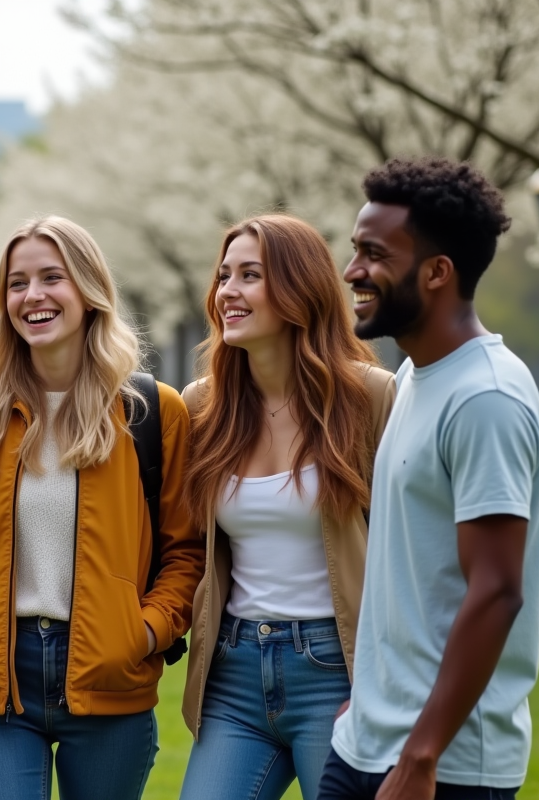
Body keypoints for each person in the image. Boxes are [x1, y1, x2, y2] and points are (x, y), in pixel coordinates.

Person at [0, 215, 203, 800]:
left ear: (88, 289)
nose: (32, 296)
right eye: (17, 282)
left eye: (51, 277)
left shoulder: (153, 413)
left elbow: (185, 553)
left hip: (112, 680)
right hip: (1, 684)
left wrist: (144, 632)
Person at [322, 157, 539, 800]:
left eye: (373, 253)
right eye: (354, 249)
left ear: (437, 271)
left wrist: (421, 754)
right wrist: (368, 701)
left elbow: (497, 590)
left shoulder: (486, 397)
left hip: (444, 763)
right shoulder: (417, 378)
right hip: (368, 738)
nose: (352, 271)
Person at [177, 214, 395, 800]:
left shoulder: (370, 397)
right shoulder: (203, 406)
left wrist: (384, 683)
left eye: (251, 275)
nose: (228, 291)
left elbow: (411, 553)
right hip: (234, 672)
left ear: (300, 289)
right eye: (224, 276)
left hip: (337, 670)